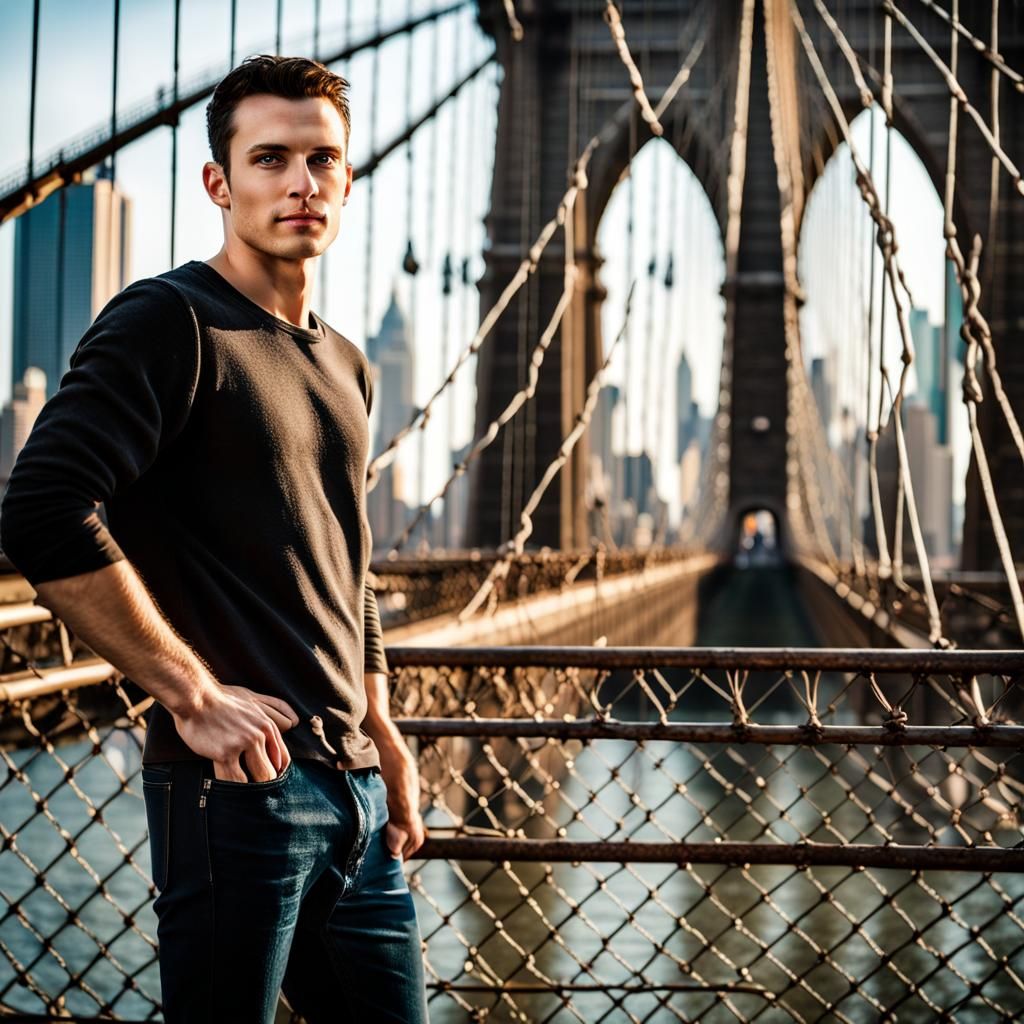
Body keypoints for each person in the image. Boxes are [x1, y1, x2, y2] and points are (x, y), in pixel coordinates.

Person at [0, 55, 428, 1024]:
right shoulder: (171, 320)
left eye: (322, 159)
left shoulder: (349, 365)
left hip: (356, 795)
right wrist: (189, 694)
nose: (300, 182)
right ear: (219, 182)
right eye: (269, 157)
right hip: (236, 792)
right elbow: (42, 507)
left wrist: (385, 730)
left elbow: (345, 567)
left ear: (348, 179)